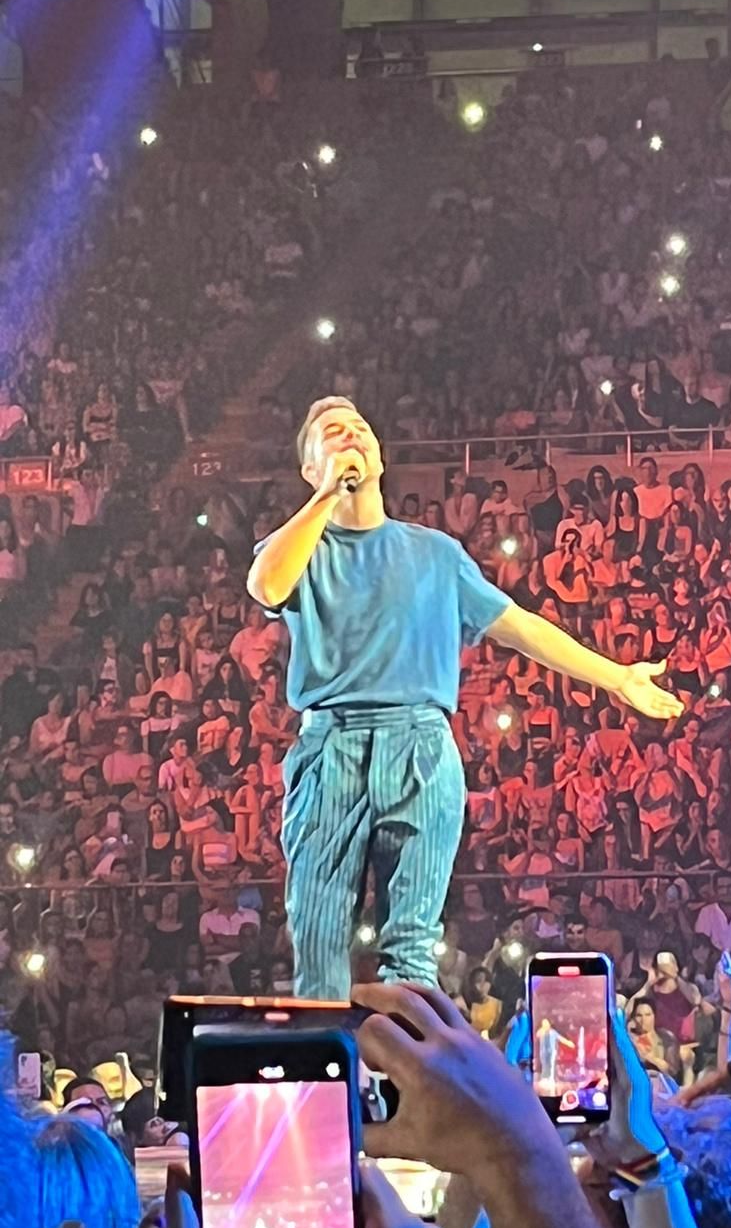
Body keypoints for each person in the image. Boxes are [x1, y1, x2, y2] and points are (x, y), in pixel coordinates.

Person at [247, 396, 683, 998]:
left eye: (359, 428)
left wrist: (615, 676)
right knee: (319, 939)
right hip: (331, 743)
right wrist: (325, 496)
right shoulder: (299, 549)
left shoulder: (435, 553)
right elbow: (266, 583)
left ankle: (407, 1087)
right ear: (307, 467)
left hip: (421, 744)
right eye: (331, 432)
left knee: (412, 946)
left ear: (379, 454)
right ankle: (332, 1087)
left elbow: (522, 627)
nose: (350, 436)